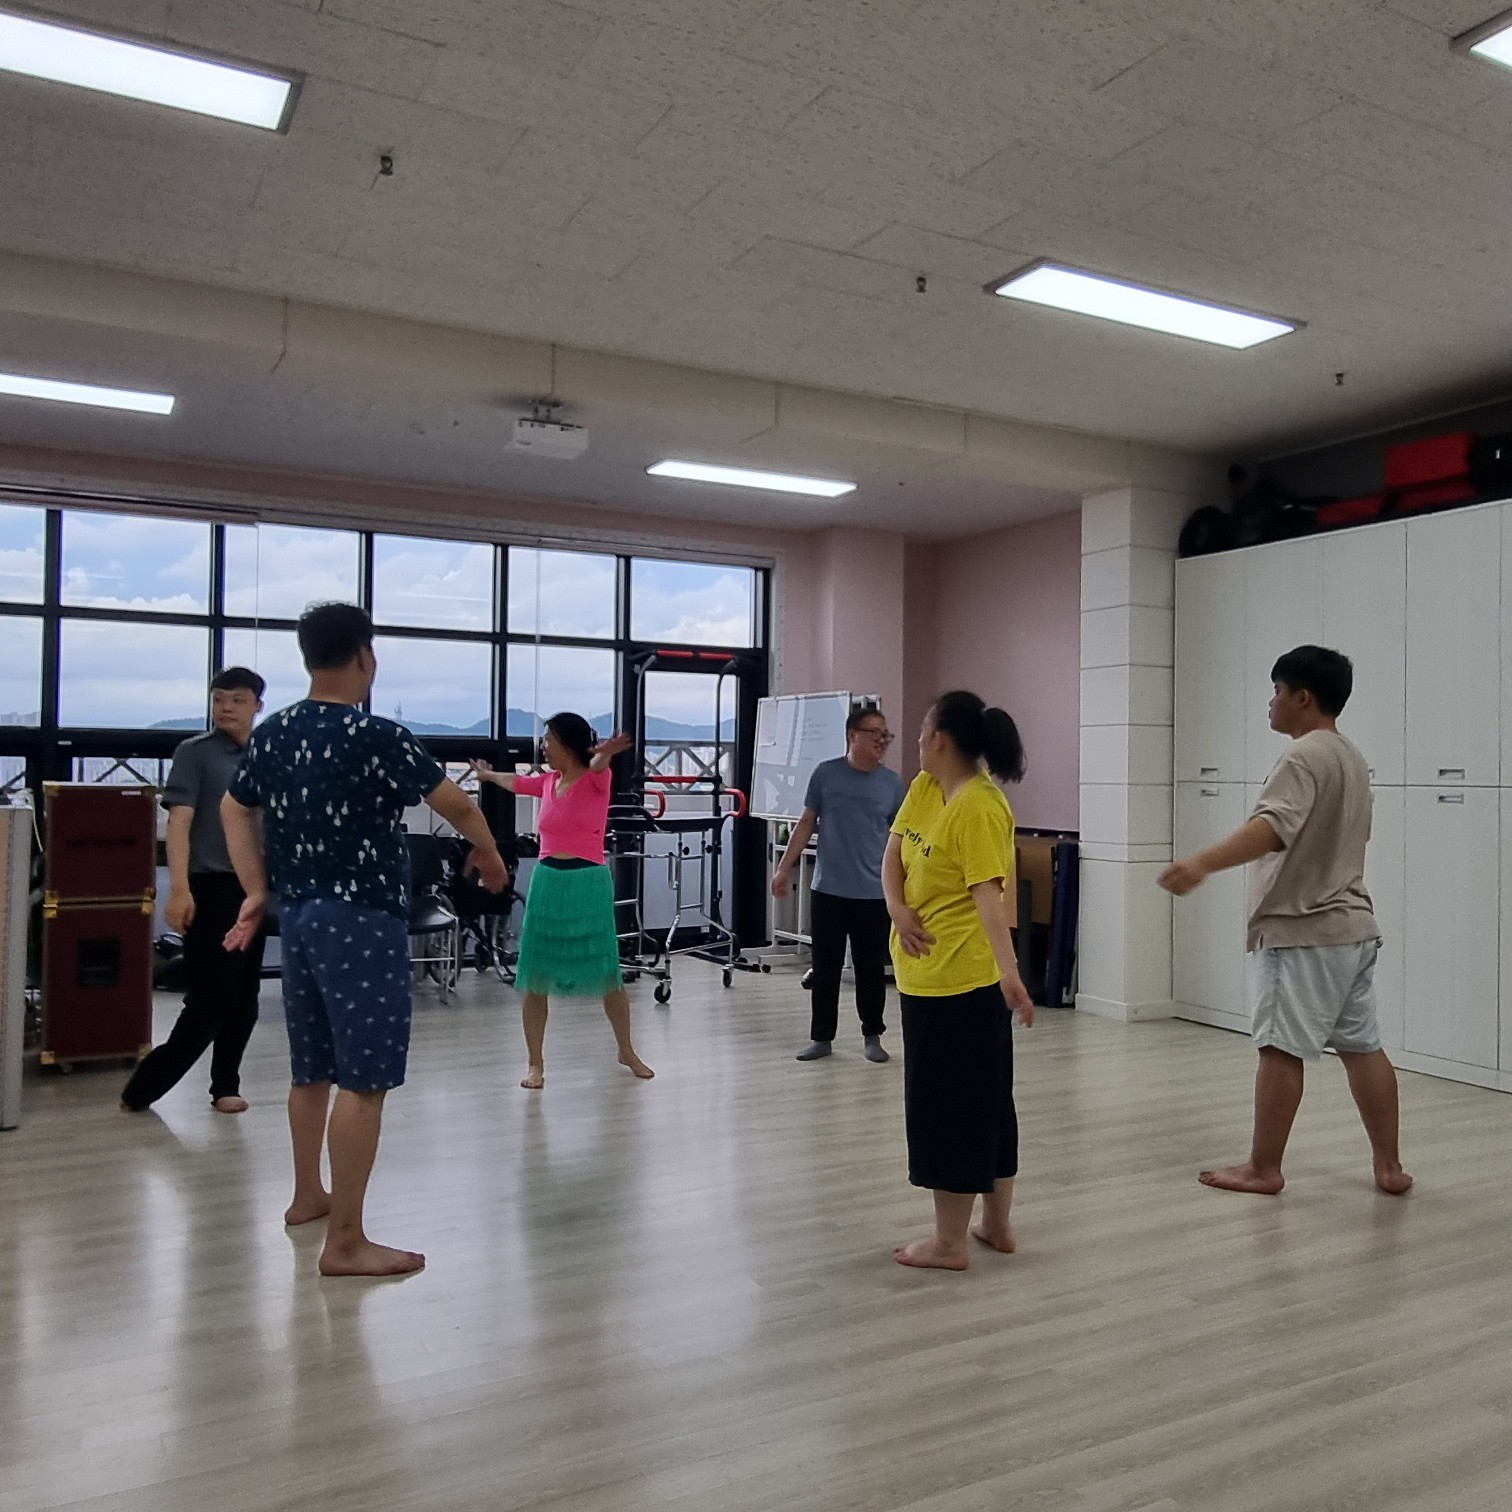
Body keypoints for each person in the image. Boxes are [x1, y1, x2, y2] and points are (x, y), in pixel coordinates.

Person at [220, 603, 509, 1277]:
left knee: (311, 1068)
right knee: (365, 1079)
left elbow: (235, 808)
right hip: (363, 919)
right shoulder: (376, 735)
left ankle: (308, 1197)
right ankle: (346, 1242)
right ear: (364, 657)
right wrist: (491, 853)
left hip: (300, 918)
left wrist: (256, 889)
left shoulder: (275, 731)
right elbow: (457, 804)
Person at [1159, 645, 1411, 1198]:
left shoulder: (1302, 756)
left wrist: (1201, 863)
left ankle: (1264, 1168)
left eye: (1276, 691)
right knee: (1363, 1047)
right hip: (1353, 929)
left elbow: (1272, 828)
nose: (1270, 702)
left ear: (1303, 697)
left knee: (1279, 1049)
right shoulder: (1350, 757)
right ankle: (1389, 1166)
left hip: (1303, 931)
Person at [883, 691, 1035, 1272]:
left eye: (922, 729)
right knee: (985, 1100)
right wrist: (898, 909)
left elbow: (989, 897)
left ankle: (949, 1243)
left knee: (955, 1108)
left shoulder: (980, 806)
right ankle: (995, 1226)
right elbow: (894, 855)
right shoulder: (926, 787)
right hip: (925, 976)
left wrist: (1011, 975)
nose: (916, 739)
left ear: (940, 739)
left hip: (962, 983)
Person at [472, 713, 654, 1090]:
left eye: (548, 740)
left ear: (567, 745)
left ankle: (626, 1050)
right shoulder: (547, 782)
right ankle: (535, 1064)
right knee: (535, 976)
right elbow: (516, 782)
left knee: (608, 973)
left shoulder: (596, 778)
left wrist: (605, 752)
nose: (543, 747)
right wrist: (487, 776)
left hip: (588, 882)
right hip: (548, 882)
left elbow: (599, 763)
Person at [122, 667, 269, 1115]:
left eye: (237, 700)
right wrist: (179, 889)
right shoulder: (196, 753)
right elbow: (179, 823)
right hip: (210, 885)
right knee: (212, 996)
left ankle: (225, 1085)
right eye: (219, 698)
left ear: (257, 706)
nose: (225, 707)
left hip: (255, 889)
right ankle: (142, 1089)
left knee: (244, 996)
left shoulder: (268, 753)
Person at [772, 707, 907, 1064]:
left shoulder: (892, 784)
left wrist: (906, 886)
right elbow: (805, 823)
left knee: (870, 969)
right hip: (829, 889)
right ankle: (822, 1038)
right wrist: (784, 868)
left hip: (874, 893)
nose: (882, 740)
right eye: (875, 732)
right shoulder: (826, 774)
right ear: (852, 735)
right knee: (826, 967)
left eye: (886, 734)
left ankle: (873, 1035)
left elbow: (902, 839)